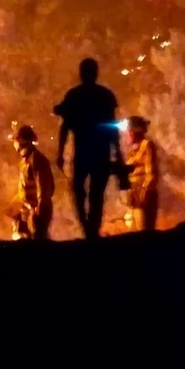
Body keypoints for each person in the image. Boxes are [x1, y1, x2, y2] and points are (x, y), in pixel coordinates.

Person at [53, 58, 122, 239]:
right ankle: (92, 227)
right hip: (100, 150)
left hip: (83, 150)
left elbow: (65, 126)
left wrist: (60, 153)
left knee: (79, 190)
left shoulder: (74, 96)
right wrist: (118, 153)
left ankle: (87, 227)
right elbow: (112, 127)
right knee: (96, 193)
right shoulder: (105, 95)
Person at [9, 124, 55, 241]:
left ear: (21, 140)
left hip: (37, 210)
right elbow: (25, 188)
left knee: (38, 241)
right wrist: (16, 208)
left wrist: (38, 210)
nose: (14, 143)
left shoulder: (36, 159)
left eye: (16, 140)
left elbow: (44, 188)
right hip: (29, 210)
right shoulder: (25, 160)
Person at [124, 116, 159, 232]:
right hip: (133, 196)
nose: (126, 136)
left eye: (127, 133)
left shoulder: (147, 145)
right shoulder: (131, 152)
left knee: (143, 232)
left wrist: (144, 192)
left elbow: (151, 173)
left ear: (133, 133)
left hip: (143, 196)